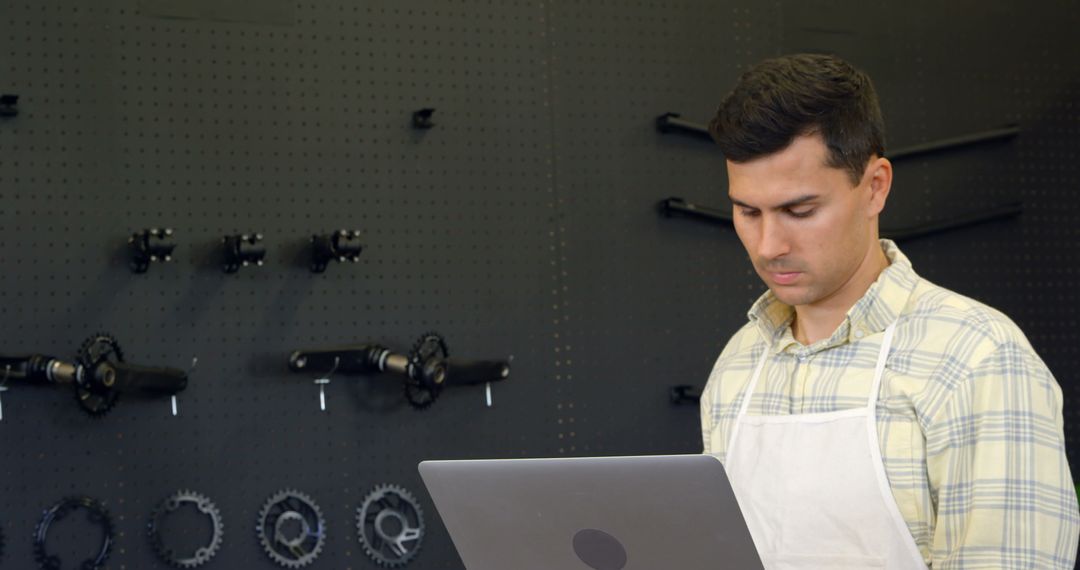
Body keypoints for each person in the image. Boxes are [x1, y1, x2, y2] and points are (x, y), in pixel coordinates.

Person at [699, 53, 1079, 569]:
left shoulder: (976, 357)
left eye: (800, 210)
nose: (768, 245)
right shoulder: (738, 367)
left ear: (875, 186)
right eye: (747, 212)